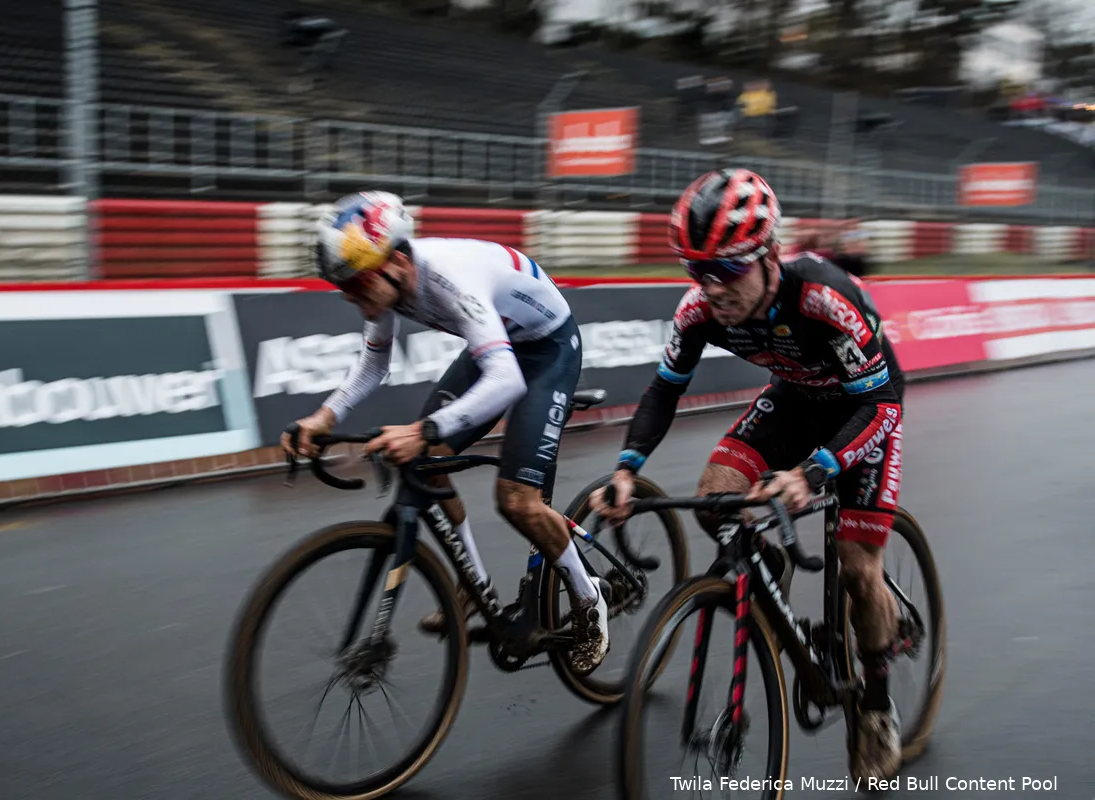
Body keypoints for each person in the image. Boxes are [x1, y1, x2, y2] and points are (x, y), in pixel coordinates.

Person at [589, 168, 905, 781]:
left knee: (860, 567)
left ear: (769, 255)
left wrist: (815, 473)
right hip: (792, 398)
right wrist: (627, 468)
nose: (713, 289)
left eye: (727, 271)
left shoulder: (821, 297)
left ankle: (877, 703)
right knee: (715, 500)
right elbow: (663, 390)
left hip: (863, 405)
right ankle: (767, 573)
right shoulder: (699, 311)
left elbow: (882, 403)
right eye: (697, 272)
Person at [281, 190, 610, 675]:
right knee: (422, 456)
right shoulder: (387, 283)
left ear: (395, 262)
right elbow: (374, 365)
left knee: (517, 501)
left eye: (355, 284)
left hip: (546, 350)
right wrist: (325, 416)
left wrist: (424, 427)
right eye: (342, 287)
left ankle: (588, 599)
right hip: (499, 341)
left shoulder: (449, 278)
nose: (350, 296)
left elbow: (507, 381)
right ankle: (475, 587)